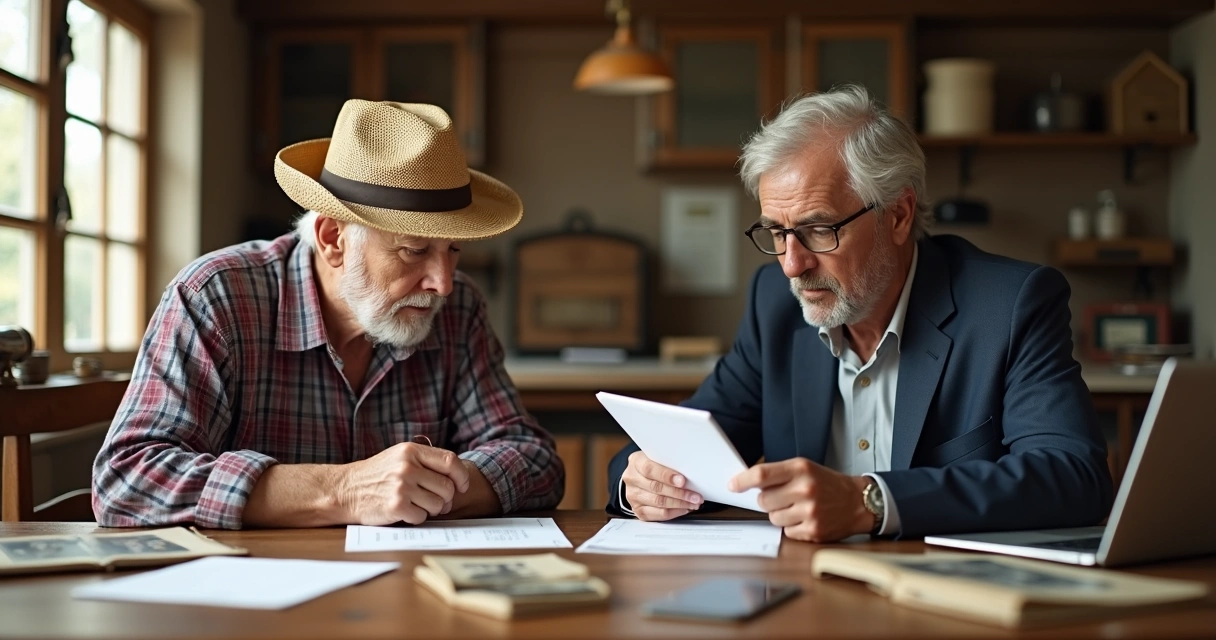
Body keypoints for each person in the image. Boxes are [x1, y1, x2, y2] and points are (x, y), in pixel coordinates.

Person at [607, 86, 1113, 542]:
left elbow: (1072, 476)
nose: (791, 264)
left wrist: (869, 502)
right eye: (776, 232)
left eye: (819, 230)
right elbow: (688, 447)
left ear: (897, 215)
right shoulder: (774, 302)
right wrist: (643, 484)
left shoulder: (1010, 303)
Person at [93, 100, 564, 529]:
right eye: (414, 250)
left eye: (453, 250)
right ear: (333, 238)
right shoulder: (217, 297)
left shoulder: (458, 307)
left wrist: (423, 490)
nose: (441, 281)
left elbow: (536, 461)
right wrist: (347, 490)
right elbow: (128, 480)